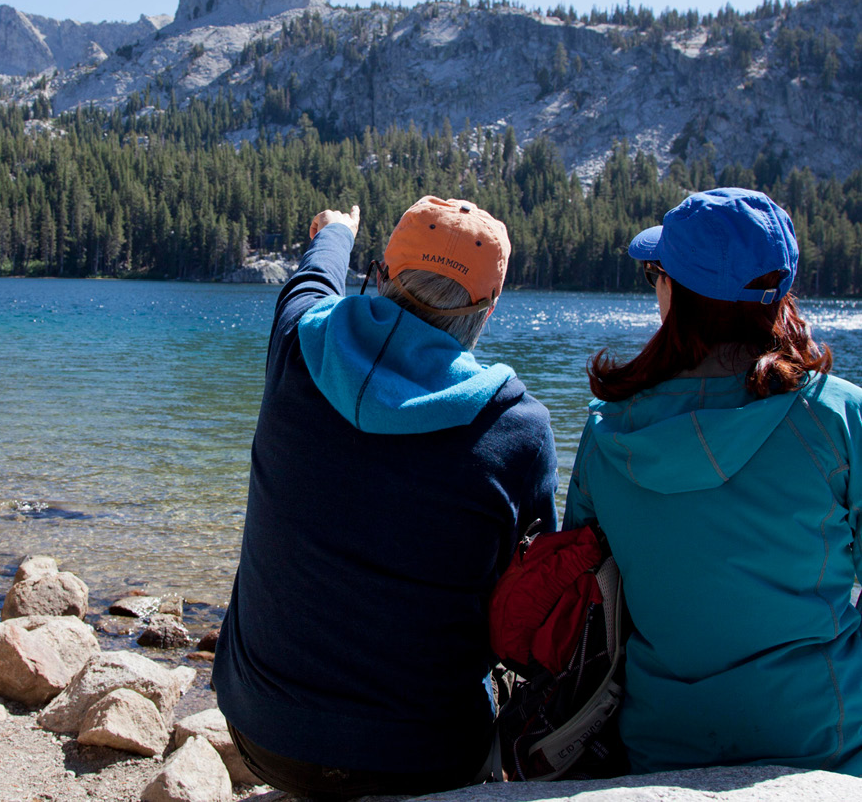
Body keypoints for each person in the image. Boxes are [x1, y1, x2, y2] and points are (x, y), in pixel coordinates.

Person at [213, 196, 558, 796]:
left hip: (263, 733)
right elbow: (534, 596)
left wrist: (339, 231)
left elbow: (315, 277)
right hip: (428, 761)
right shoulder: (518, 428)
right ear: (489, 309)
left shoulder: (299, 346)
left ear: (379, 276)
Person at [564, 186, 862, 775]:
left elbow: (582, 588)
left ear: (672, 292)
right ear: (780, 294)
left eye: (656, 273)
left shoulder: (608, 436)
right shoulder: (835, 419)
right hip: (825, 744)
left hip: (660, 745)